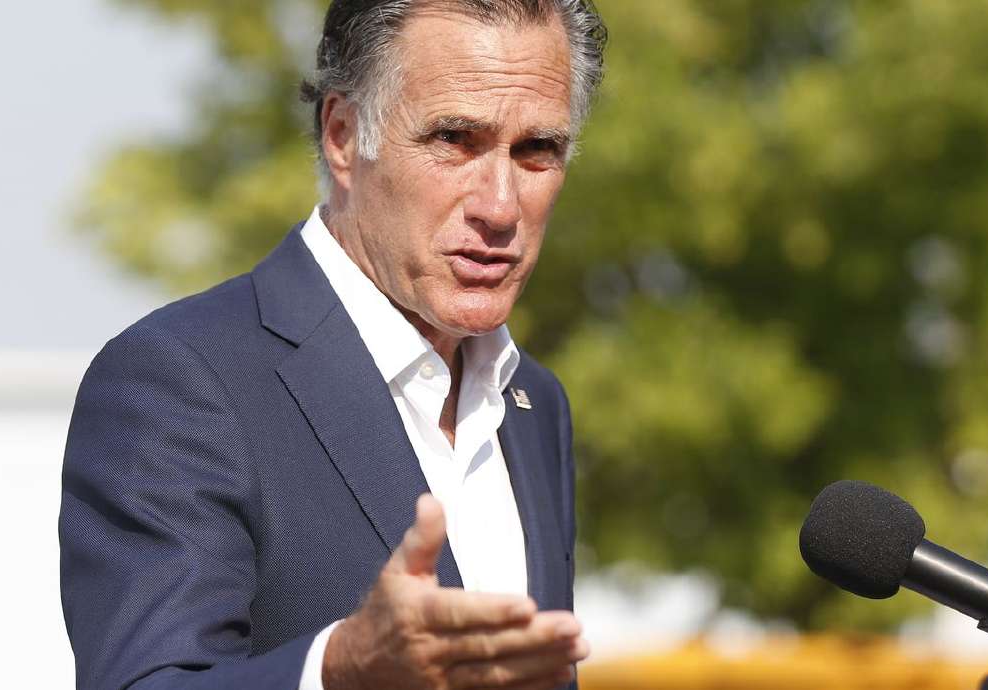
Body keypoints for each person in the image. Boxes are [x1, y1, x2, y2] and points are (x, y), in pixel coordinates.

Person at [59, 1, 607, 688]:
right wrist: (340, 669)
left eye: (537, 150)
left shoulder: (534, 403)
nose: (500, 206)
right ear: (344, 135)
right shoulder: (177, 380)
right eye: (454, 139)